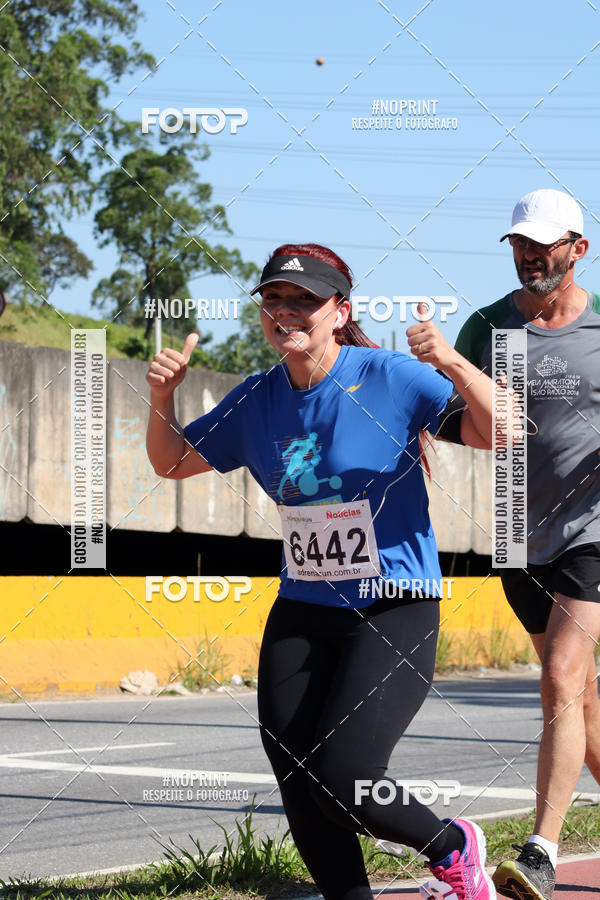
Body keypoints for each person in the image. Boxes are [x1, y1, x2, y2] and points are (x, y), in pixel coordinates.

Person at [146, 243, 497, 900]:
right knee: (297, 775)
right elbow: (170, 463)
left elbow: (501, 429)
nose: (285, 312)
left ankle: (453, 847)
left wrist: (450, 361)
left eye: (304, 300)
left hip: (393, 604)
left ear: (340, 312)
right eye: (274, 299)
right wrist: (163, 397)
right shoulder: (257, 398)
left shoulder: (391, 377)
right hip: (305, 606)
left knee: (344, 775)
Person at [454, 189, 600, 900]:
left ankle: (541, 850)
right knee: (579, 698)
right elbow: (452, 418)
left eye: (545, 243)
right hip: (518, 531)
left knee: (562, 679)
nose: (529, 255)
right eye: (519, 243)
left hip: (594, 532)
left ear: (579, 248)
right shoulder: (488, 328)